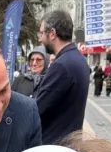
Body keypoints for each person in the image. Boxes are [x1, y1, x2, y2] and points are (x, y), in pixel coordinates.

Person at [36, 9, 91, 143]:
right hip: (70, 143)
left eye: (42, 33)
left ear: (52, 33)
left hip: (54, 145)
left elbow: (38, 108)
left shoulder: (62, 65)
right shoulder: (78, 59)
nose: (40, 38)